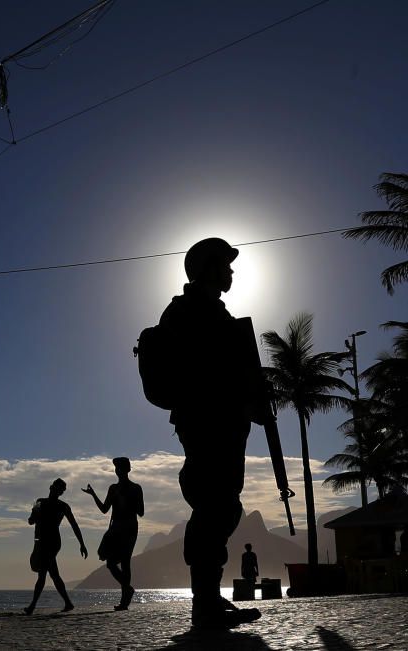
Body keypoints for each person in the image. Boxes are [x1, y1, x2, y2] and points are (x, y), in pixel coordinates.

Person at [158, 237, 263, 630]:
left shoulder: (215, 312)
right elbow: (201, 376)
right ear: (208, 268)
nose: (231, 271)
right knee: (213, 508)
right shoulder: (185, 312)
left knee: (223, 506)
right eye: (226, 264)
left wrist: (249, 401)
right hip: (205, 423)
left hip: (226, 424)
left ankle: (208, 599)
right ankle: (204, 605)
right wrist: (238, 401)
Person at [83, 457, 144, 611]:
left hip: (129, 528)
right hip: (116, 529)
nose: (118, 471)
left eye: (121, 468)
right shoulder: (113, 488)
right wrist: (93, 494)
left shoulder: (136, 488)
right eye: (117, 468)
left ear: (128, 469)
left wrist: (127, 501)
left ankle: (124, 601)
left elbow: (141, 512)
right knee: (111, 563)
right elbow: (104, 509)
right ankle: (128, 589)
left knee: (125, 562)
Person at [23, 478, 88, 615]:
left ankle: (32, 606)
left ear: (61, 492)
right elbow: (31, 521)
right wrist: (35, 513)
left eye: (59, 489)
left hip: (52, 542)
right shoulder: (40, 502)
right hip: (40, 541)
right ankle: (68, 603)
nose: (55, 490)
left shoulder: (63, 506)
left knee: (43, 574)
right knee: (53, 574)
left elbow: (74, 525)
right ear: (51, 487)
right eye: (55, 487)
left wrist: (82, 544)